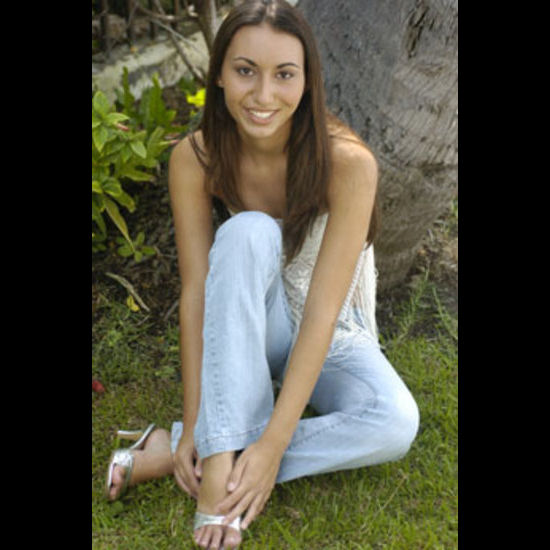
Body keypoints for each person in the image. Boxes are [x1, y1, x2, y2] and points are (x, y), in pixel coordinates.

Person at [104, 1, 420, 549]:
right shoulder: (195, 157)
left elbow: (323, 312)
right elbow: (197, 292)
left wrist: (273, 446)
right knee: (247, 231)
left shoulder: (348, 163)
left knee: (394, 421)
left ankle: (183, 450)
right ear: (220, 74)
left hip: (333, 332)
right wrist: (195, 414)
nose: (264, 95)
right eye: (246, 70)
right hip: (252, 323)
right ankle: (216, 474)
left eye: (284, 75)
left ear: (307, 80)